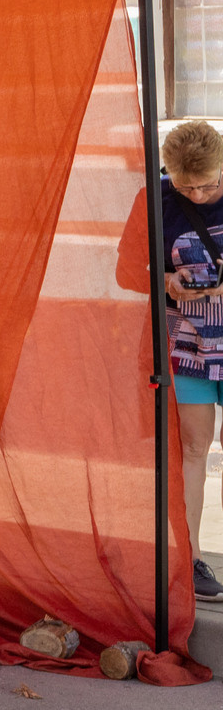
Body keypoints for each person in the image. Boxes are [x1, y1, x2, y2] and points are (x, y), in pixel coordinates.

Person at [153, 119, 223, 603]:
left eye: (210, 184)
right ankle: (192, 558)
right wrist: (167, 282)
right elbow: (127, 266)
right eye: (187, 186)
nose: (198, 196)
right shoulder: (158, 197)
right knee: (194, 450)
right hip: (190, 344)